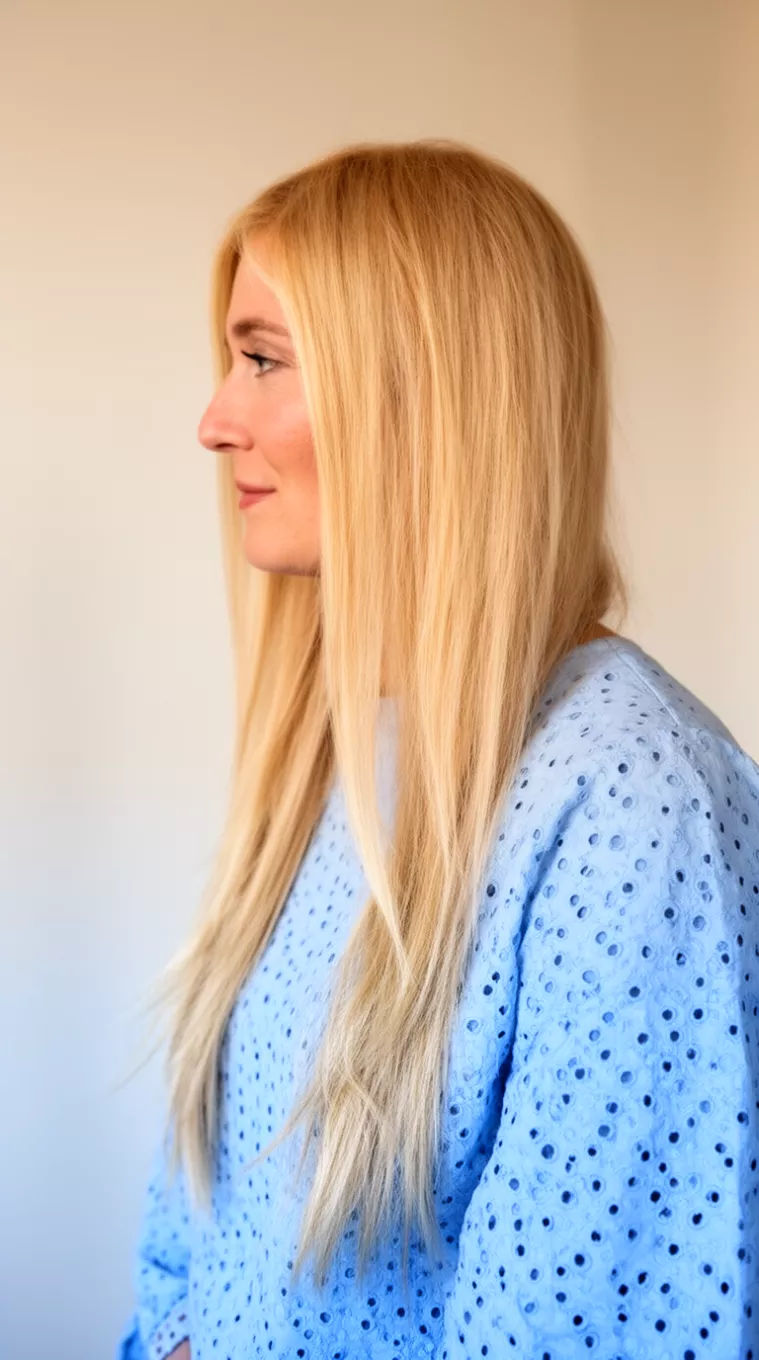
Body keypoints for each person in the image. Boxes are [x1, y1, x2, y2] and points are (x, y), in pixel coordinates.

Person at [116, 139, 759, 1360]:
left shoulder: (630, 805)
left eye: (262, 359)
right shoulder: (335, 754)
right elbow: (196, 1246)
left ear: (420, 395)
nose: (214, 420)